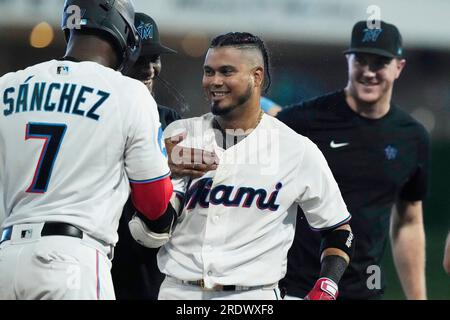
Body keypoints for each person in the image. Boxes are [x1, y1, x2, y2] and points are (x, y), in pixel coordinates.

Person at [152, 32, 355, 300]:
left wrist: (327, 285)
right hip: (177, 292)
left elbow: (339, 229)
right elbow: (147, 223)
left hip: (252, 296)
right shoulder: (179, 135)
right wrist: (159, 169)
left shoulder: (296, 149)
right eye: (208, 72)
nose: (214, 81)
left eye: (226, 72)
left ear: (256, 77)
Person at [0, 0, 174, 300]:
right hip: (72, 259)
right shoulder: (129, 93)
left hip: (7, 256)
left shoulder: (8, 85)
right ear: (123, 34)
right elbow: (154, 201)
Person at [277, 20, 430, 300]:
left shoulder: (413, 137)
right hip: (299, 290)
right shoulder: (301, 120)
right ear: (348, 60)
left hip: (364, 292)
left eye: (380, 63)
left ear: (399, 67)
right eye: (361, 60)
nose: (369, 72)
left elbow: (408, 221)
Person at [111, 12, 181, 300]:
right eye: (141, 59)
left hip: (151, 259)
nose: (150, 68)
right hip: (103, 248)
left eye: (155, 58)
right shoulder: (101, 113)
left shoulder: (171, 118)